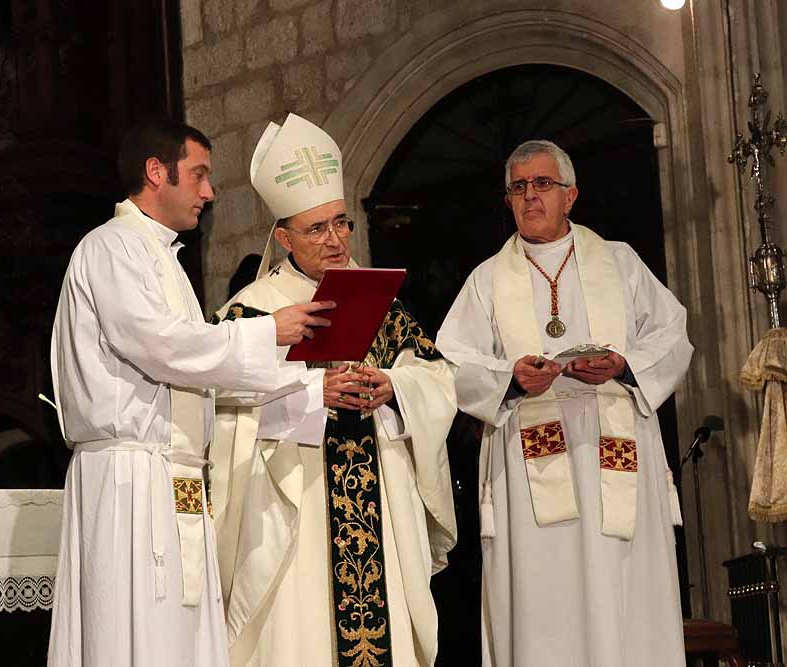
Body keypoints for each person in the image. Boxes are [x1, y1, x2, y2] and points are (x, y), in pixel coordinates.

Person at [47, 118, 332, 667]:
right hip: (129, 476)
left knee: (178, 633)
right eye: (198, 175)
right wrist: (270, 329)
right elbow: (161, 344)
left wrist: (313, 381)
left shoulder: (162, 257)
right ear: (157, 172)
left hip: (172, 474)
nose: (208, 191)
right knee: (133, 633)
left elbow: (204, 363)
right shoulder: (111, 247)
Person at [210, 113, 457, 667]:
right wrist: (310, 393)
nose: (336, 239)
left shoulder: (377, 298)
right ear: (283, 237)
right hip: (296, 502)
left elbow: (439, 377)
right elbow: (224, 409)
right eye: (317, 229)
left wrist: (392, 385)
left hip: (379, 494)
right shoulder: (254, 312)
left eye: (341, 223)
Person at [436, 139, 693, 667]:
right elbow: (452, 364)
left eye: (543, 184)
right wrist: (510, 378)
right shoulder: (487, 280)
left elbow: (673, 335)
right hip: (530, 461)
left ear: (570, 195)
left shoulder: (619, 262)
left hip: (612, 451)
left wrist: (622, 365)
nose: (531, 196)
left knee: (620, 587)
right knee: (541, 598)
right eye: (519, 187)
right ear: (508, 200)